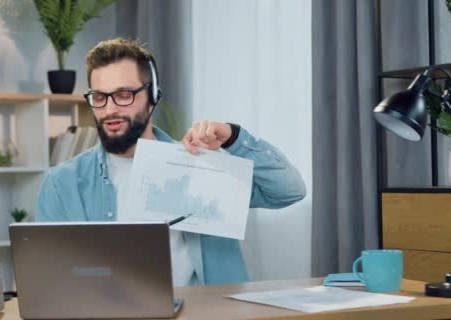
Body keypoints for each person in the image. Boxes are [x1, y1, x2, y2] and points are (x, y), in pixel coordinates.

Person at [36, 38, 306, 286]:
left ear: (153, 97)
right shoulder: (62, 184)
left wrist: (233, 137)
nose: (109, 109)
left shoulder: (202, 167)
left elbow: (288, 190)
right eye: (99, 97)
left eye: (124, 95)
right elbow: (51, 279)